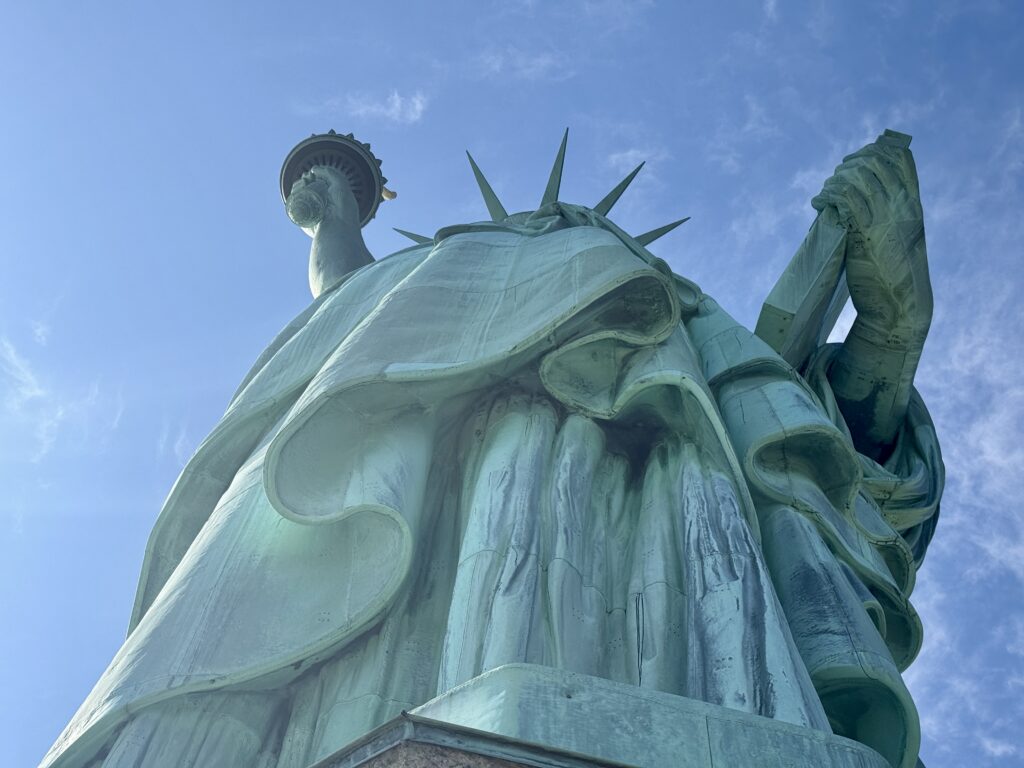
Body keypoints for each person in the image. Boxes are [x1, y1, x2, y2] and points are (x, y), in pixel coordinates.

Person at [42, 130, 942, 768]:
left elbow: (801, 438)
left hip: (639, 482)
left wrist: (892, 326)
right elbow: (349, 318)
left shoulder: (665, 321)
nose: (544, 247)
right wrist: (332, 225)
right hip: (410, 550)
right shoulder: (429, 284)